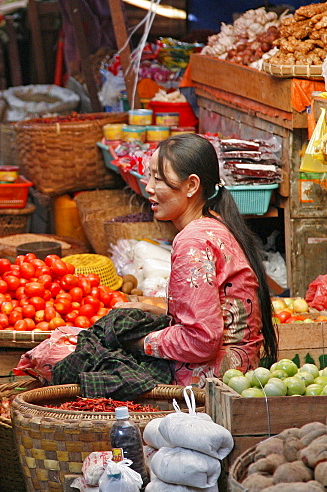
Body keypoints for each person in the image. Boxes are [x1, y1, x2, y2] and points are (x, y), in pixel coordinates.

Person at [115, 134, 278, 385]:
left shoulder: (193, 240)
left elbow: (201, 340)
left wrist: (138, 343)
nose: (148, 187)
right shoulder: (216, 223)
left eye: (158, 178)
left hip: (210, 384)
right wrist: (161, 311)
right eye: (150, 176)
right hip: (238, 374)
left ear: (192, 186)